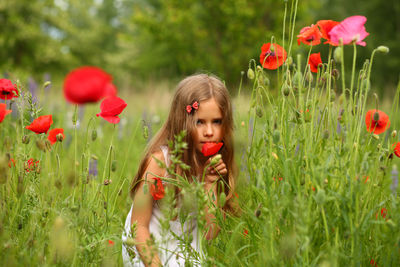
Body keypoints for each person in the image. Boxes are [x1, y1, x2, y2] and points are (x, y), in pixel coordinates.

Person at [122, 73, 237, 266]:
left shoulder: (217, 163)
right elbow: (138, 226)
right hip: (146, 244)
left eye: (216, 121)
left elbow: (210, 233)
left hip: (187, 245)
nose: (209, 132)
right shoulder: (158, 163)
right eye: (199, 122)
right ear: (181, 121)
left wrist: (210, 184)